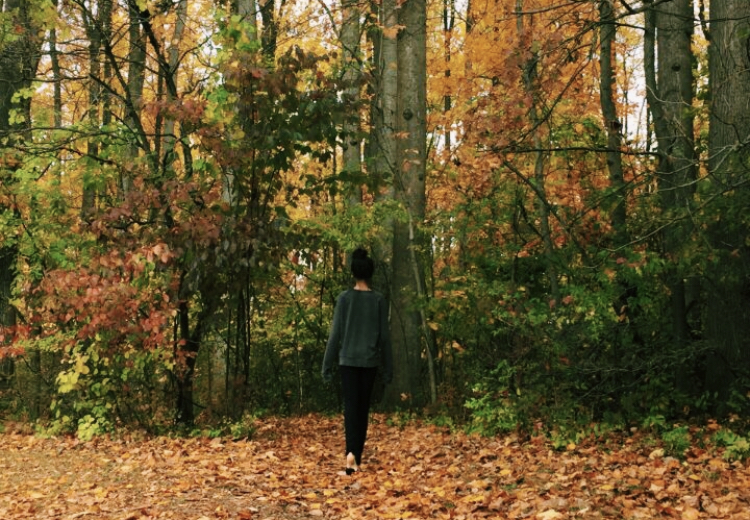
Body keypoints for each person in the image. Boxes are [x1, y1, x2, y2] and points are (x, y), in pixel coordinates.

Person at [322, 247, 393, 475]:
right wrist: (388, 368)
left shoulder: (344, 299)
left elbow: (335, 335)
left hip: (348, 362)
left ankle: (350, 457)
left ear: (354, 272)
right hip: (369, 363)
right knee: (362, 410)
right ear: (370, 273)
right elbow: (384, 337)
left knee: (350, 409)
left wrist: (327, 365)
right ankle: (355, 457)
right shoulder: (379, 301)